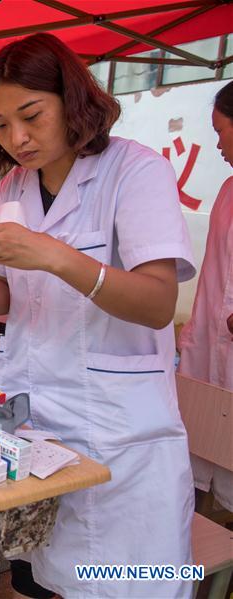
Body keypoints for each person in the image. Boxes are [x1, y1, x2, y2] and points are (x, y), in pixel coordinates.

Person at [0, 33, 194, 598]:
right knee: (46, 570)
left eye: (31, 115)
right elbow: (15, 299)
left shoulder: (135, 171)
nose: (18, 138)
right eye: (0, 125)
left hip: (116, 427)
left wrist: (54, 256)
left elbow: (156, 305)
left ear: (72, 100)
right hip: (33, 414)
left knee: (128, 582)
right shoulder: (13, 183)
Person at [178, 81, 233, 512]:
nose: (217, 145)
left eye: (221, 132)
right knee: (200, 465)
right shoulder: (227, 193)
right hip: (207, 357)